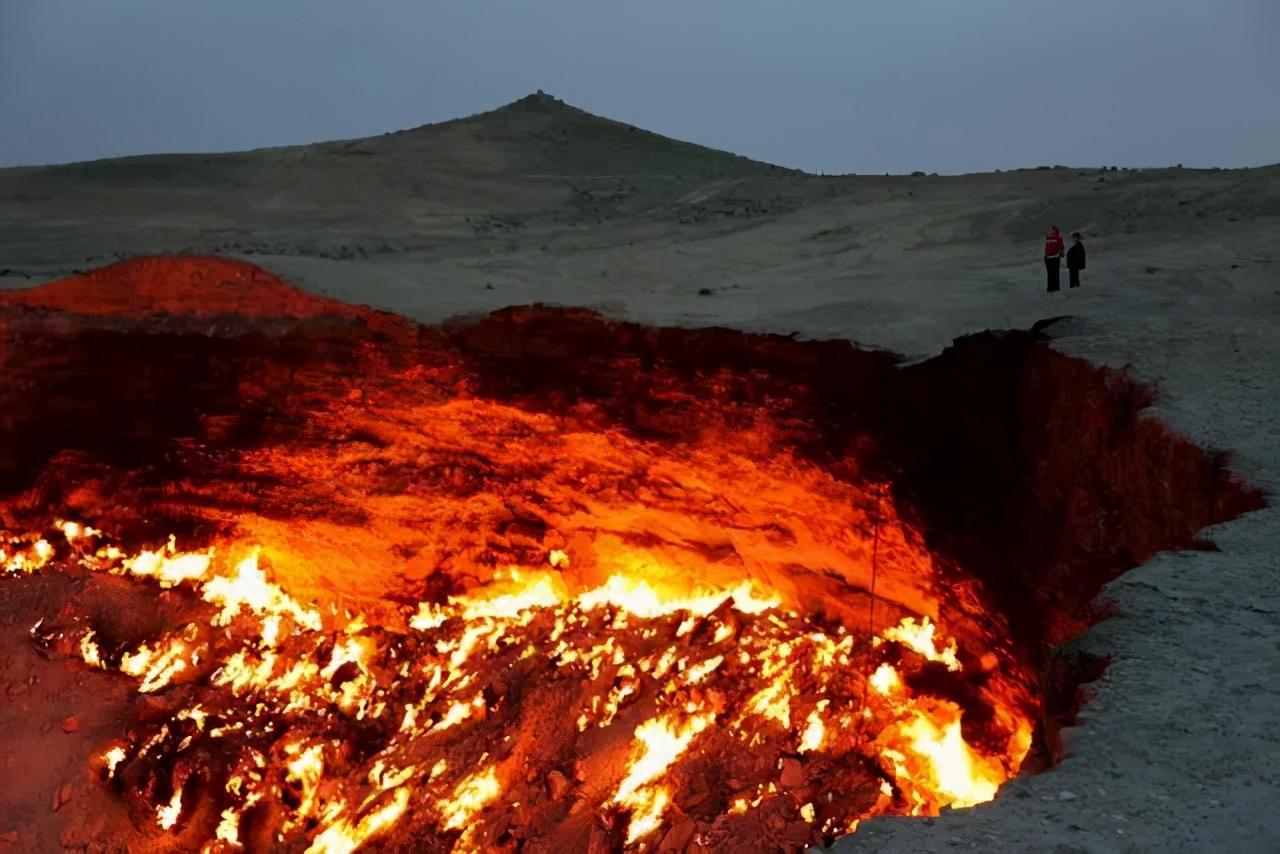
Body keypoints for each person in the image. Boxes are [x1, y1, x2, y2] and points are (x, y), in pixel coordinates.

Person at [1044, 226, 1065, 292]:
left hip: (1048, 258)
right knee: (1055, 274)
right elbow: (1061, 248)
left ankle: (1050, 288)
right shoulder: (1058, 238)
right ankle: (1056, 288)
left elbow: (1046, 249)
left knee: (1050, 274)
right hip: (1055, 258)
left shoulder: (1048, 238)